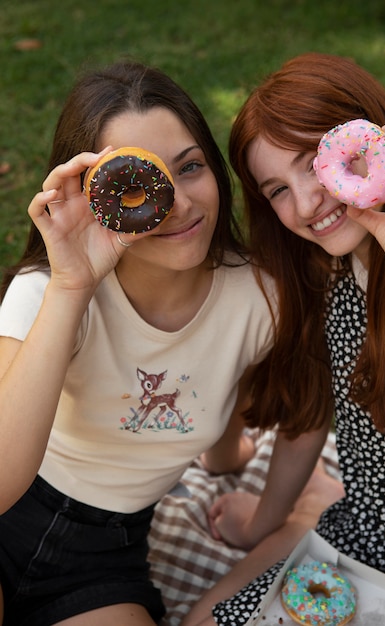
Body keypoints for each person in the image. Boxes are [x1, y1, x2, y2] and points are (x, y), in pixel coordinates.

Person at [0, 60, 283, 626]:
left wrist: (231, 461)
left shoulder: (260, 299)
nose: (178, 203)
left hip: (106, 557)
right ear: (93, 195)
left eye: (192, 167)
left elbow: (228, 394)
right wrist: (74, 285)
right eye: (140, 182)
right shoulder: (47, 292)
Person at [181, 52, 385, 626]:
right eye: (276, 190)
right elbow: (311, 413)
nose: (307, 203)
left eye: (315, 164)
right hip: (373, 531)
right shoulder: (330, 274)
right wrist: (267, 520)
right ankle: (308, 512)